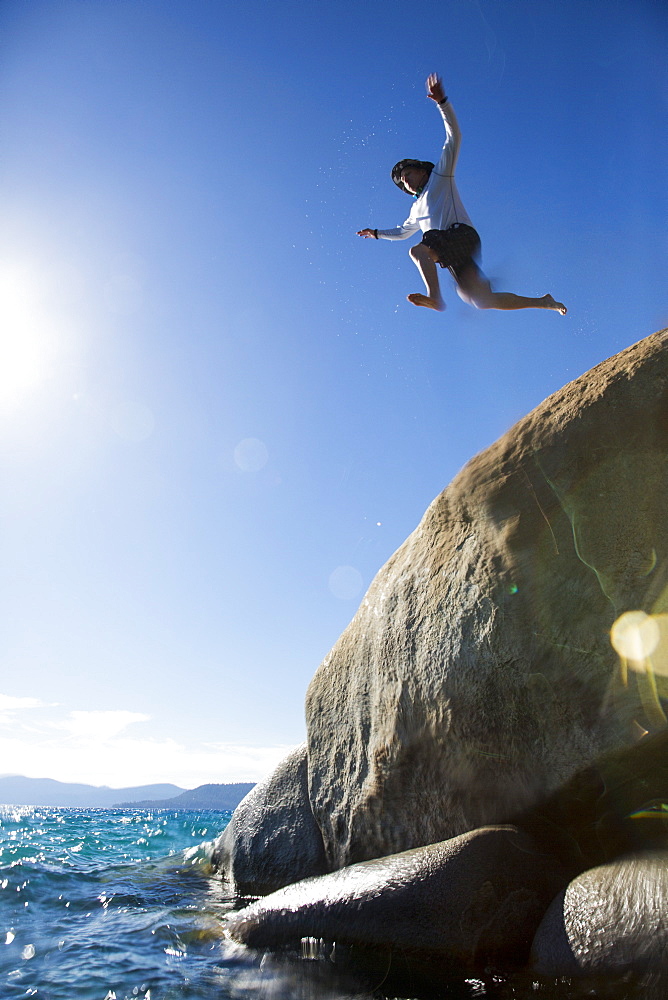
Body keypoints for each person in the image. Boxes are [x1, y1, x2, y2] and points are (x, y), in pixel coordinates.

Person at [357, 73, 567, 316]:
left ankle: (434, 297)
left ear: (423, 171)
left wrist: (442, 103)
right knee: (478, 299)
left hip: (461, 235)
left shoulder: (440, 176)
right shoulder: (415, 210)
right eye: (403, 181)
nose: (406, 179)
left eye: (409, 173)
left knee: (418, 251)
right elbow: (402, 232)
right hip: (448, 251)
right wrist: (376, 233)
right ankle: (544, 302)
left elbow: (454, 138)